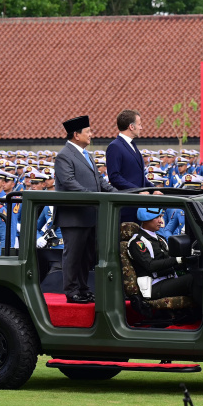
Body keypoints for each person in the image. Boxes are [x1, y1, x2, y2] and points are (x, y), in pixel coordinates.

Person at [55, 115, 117, 304]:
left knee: (86, 256)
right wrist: (93, 197)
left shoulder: (87, 155)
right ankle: (71, 291)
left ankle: (83, 289)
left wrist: (118, 194)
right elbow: (68, 183)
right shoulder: (64, 156)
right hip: (74, 216)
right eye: (88, 131)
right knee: (73, 255)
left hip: (91, 214)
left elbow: (100, 182)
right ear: (76, 134)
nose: (91, 134)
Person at [127, 207, 193, 300]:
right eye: (157, 217)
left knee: (199, 275)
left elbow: (169, 262)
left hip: (168, 279)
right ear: (146, 220)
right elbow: (150, 265)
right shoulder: (137, 242)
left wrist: (187, 259)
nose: (161, 221)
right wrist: (177, 260)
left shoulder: (160, 239)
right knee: (191, 280)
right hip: (153, 285)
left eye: (161, 217)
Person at [105, 110, 154, 224]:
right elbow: (115, 177)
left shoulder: (132, 145)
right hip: (126, 206)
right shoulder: (115, 146)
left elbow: (138, 175)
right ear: (131, 126)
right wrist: (137, 191)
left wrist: (153, 189)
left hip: (137, 205)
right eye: (139, 124)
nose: (141, 128)